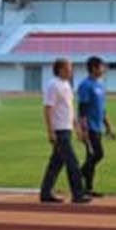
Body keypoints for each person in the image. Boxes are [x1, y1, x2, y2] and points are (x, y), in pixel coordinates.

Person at [39, 58, 90, 204]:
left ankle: (45, 193)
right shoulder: (53, 85)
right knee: (72, 162)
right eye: (68, 69)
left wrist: (77, 127)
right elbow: (48, 108)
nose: (71, 71)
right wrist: (50, 131)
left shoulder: (66, 84)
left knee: (56, 163)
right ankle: (78, 194)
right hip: (59, 130)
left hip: (66, 128)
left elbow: (69, 108)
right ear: (60, 69)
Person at [76, 55, 116, 197]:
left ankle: (88, 188)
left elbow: (102, 109)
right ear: (94, 68)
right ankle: (78, 175)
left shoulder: (100, 85)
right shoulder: (85, 85)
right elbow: (82, 109)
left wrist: (108, 126)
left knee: (91, 158)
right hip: (90, 128)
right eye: (102, 66)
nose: (104, 69)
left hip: (98, 127)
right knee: (98, 154)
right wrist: (83, 129)